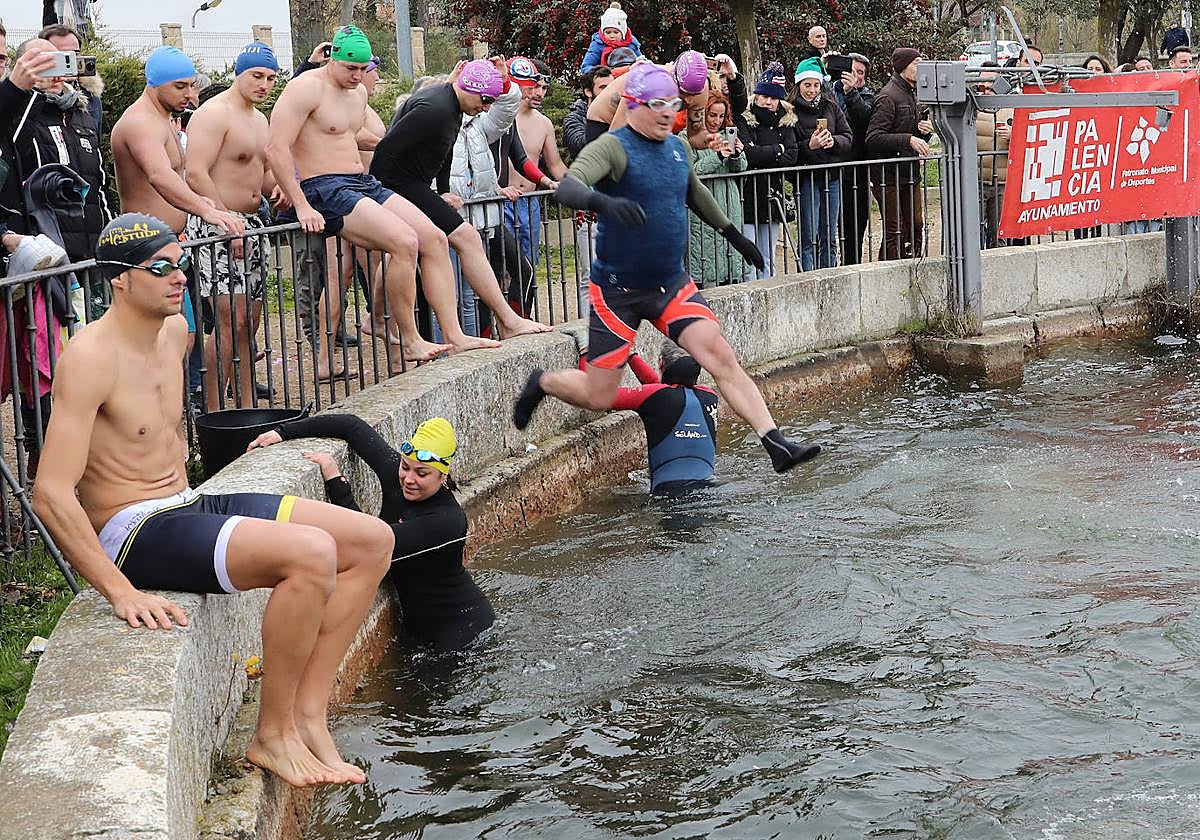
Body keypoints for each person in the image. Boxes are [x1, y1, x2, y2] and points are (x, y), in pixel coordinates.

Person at [31, 213, 394, 788]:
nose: (178, 277)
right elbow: (50, 493)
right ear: (119, 280)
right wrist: (120, 592)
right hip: (133, 529)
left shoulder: (174, 335)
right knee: (311, 554)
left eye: (181, 264)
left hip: (186, 500)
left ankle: (308, 714)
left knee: (372, 540)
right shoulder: (90, 358)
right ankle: (271, 736)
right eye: (160, 268)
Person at [512, 64, 821, 474]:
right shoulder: (613, 148)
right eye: (656, 105)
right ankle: (544, 382)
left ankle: (775, 442)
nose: (666, 113)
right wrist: (606, 203)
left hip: (669, 284)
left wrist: (735, 236)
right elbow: (568, 186)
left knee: (720, 355)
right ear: (634, 105)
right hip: (618, 291)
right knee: (599, 395)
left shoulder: (676, 148)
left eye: (671, 105)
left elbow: (695, 192)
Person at [269, 25, 454, 369]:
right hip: (324, 188)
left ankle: (455, 334)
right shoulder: (304, 88)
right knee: (403, 242)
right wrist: (300, 202)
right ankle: (408, 340)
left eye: (363, 68)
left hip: (361, 183)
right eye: (350, 68)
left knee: (434, 238)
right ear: (333, 59)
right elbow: (276, 146)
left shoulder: (358, 96)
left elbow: (364, 139)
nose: (358, 76)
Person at [249, 416, 496, 652]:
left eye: (422, 474)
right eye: (405, 467)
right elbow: (351, 426)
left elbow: (367, 543)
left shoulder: (446, 521)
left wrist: (337, 482)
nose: (409, 479)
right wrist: (282, 432)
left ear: (443, 476)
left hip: (463, 632)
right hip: (422, 627)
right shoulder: (397, 477)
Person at [370, 57, 551, 344]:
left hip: (412, 185)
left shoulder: (453, 107)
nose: (487, 107)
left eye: (491, 101)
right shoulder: (435, 109)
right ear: (469, 88)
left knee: (444, 242)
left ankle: (380, 318)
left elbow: (444, 154)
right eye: (485, 99)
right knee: (449, 241)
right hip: (399, 185)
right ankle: (480, 328)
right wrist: (380, 195)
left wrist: (442, 190)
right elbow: (386, 150)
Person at [110, 45, 246, 353]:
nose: (190, 95)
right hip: (143, 247)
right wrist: (205, 210)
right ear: (154, 84)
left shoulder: (163, 119)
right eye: (180, 87)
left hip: (166, 243)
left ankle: (173, 401)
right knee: (162, 339)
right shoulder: (140, 122)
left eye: (191, 86)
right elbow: (159, 175)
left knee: (181, 335)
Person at [184, 42, 280, 412]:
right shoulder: (212, 114)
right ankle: (212, 412)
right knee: (228, 321)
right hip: (217, 226)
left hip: (252, 225)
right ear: (238, 73)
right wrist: (225, 219)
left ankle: (245, 405)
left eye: (271, 78)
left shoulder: (259, 119)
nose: (264, 85)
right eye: (257, 76)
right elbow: (195, 173)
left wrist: (283, 192)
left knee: (248, 324)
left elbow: (262, 171)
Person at [588, 345, 719, 495]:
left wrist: (587, 352)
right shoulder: (710, 395)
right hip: (710, 491)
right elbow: (660, 390)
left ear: (661, 363)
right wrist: (631, 356)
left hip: (668, 495)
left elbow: (595, 396)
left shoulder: (655, 397)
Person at [505, 57, 568, 303]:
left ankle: (523, 317)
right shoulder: (502, 117)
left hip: (528, 203)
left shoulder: (544, 123)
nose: (540, 93)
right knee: (501, 268)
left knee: (528, 268)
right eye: (534, 86)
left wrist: (580, 186)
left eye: (544, 88)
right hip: (500, 202)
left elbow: (556, 166)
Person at [866, 48, 933, 261]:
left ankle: (914, 265)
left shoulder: (913, 94)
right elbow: (873, 137)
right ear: (903, 67)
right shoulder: (887, 96)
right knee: (895, 228)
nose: (920, 68)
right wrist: (908, 139)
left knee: (916, 224)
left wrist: (922, 132)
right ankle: (889, 270)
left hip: (909, 172)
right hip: (888, 176)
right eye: (916, 64)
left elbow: (910, 133)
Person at [736, 61, 798, 280]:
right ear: (757, 95)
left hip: (773, 195)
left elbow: (792, 155)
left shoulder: (786, 120)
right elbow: (748, 156)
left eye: (773, 98)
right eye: (765, 96)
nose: (769, 102)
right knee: (749, 258)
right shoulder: (745, 118)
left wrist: (763, 152)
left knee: (769, 256)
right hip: (748, 194)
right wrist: (777, 149)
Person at [680, 91, 747, 285]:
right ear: (703, 114)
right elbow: (692, 172)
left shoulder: (726, 135)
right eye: (712, 115)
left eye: (721, 116)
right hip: (703, 205)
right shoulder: (686, 137)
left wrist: (736, 155)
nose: (717, 121)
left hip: (729, 203)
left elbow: (740, 168)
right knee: (704, 255)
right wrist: (718, 157)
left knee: (728, 255)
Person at [791, 57, 851, 271]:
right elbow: (790, 149)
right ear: (799, 85)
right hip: (808, 178)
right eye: (807, 85)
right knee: (809, 236)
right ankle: (806, 278)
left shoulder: (831, 107)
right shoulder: (791, 111)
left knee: (829, 234)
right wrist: (811, 145)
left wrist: (833, 141)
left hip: (831, 176)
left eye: (816, 85)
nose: (812, 90)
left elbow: (847, 136)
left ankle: (829, 276)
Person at [833, 52, 874, 265]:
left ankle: (852, 266)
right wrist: (822, 65)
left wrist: (850, 93)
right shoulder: (829, 91)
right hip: (830, 171)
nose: (855, 76)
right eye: (851, 71)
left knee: (855, 229)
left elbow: (864, 117)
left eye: (860, 73)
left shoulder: (866, 96)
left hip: (855, 175)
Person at [39, 23, 103, 133]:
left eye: (74, 54)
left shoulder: (91, 98)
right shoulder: (32, 98)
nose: (69, 60)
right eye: (61, 55)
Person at [975, 63, 1013, 248]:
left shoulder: (1012, 106)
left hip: (1002, 182)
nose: (987, 89)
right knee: (973, 232)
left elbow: (1029, 138)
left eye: (991, 84)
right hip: (976, 181)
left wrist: (1014, 136)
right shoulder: (971, 107)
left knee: (999, 234)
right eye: (983, 84)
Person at [579, 1, 644, 74]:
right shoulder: (598, 44)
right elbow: (586, 66)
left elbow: (640, 61)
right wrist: (600, 73)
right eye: (608, 32)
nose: (612, 36)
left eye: (616, 32)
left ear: (623, 33)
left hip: (629, 77)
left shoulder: (631, 44)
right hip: (606, 78)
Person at [564, 66, 613, 158]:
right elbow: (579, 147)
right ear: (588, 92)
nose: (609, 91)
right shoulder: (574, 118)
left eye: (612, 86)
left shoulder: (620, 113)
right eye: (603, 87)